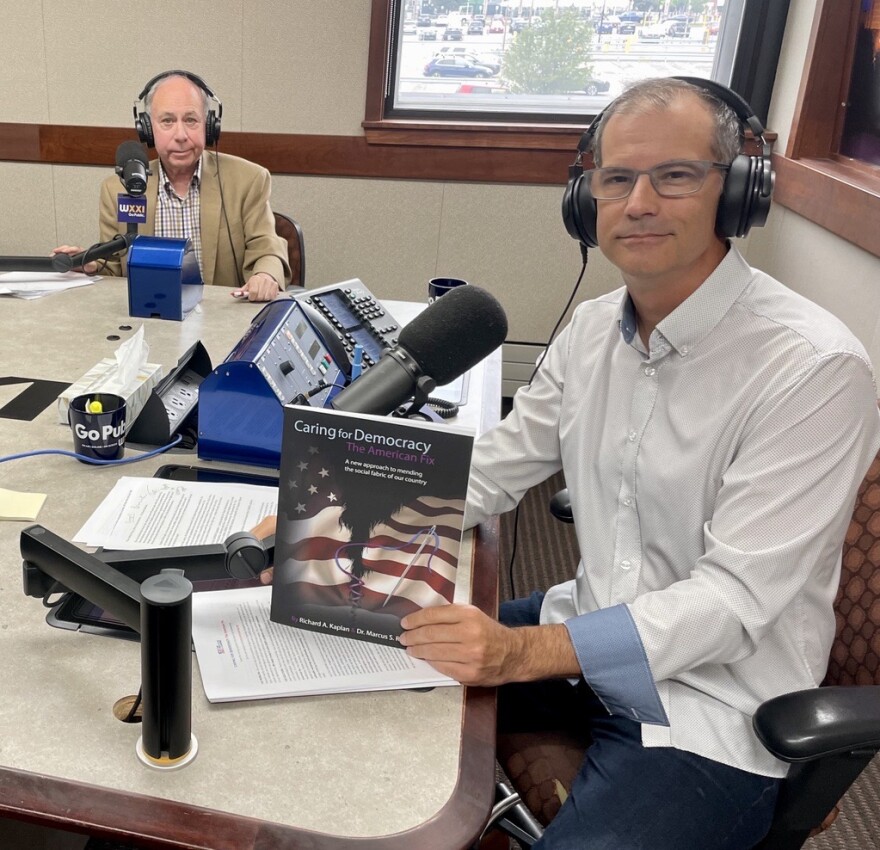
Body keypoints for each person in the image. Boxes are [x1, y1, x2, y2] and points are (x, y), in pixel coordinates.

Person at [397, 77, 880, 848]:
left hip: (712, 710)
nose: (640, 201)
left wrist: (521, 652)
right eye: (617, 178)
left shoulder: (815, 369)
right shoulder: (592, 330)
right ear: (587, 198)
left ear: (738, 192)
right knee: (369, 674)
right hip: (585, 631)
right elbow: (498, 466)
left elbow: (730, 602)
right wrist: (341, 517)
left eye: (676, 175)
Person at [54, 71, 290, 302]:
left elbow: (267, 247)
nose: (181, 135)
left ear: (208, 126)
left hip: (219, 321)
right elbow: (115, 269)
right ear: (147, 129)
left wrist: (265, 275)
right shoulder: (118, 189)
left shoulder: (248, 180)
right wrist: (91, 265)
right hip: (150, 315)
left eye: (190, 120)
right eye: (167, 121)